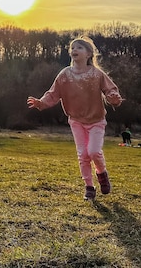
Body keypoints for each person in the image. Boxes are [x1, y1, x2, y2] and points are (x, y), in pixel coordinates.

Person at [27, 36, 124, 201]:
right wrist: (41, 103)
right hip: (76, 120)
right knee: (83, 154)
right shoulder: (65, 74)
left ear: (88, 54)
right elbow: (53, 94)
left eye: (79, 48)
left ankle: (102, 174)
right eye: (72, 48)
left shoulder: (96, 74)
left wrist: (114, 98)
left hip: (96, 120)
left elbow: (110, 90)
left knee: (94, 151)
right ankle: (89, 187)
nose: (74, 50)